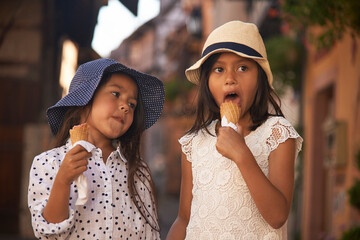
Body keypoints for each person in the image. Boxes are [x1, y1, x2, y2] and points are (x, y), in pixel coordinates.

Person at [166, 20, 303, 240]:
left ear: (259, 79)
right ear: (207, 83)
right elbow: (184, 219)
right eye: (219, 69)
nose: (230, 78)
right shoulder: (195, 141)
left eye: (242, 68)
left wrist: (242, 154)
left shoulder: (277, 133)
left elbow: (278, 216)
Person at [28, 58, 164, 239]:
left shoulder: (139, 172)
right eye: (116, 94)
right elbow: (48, 234)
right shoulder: (47, 163)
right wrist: (63, 180)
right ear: (84, 98)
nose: (125, 107)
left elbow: (150, 234)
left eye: (132, 104)